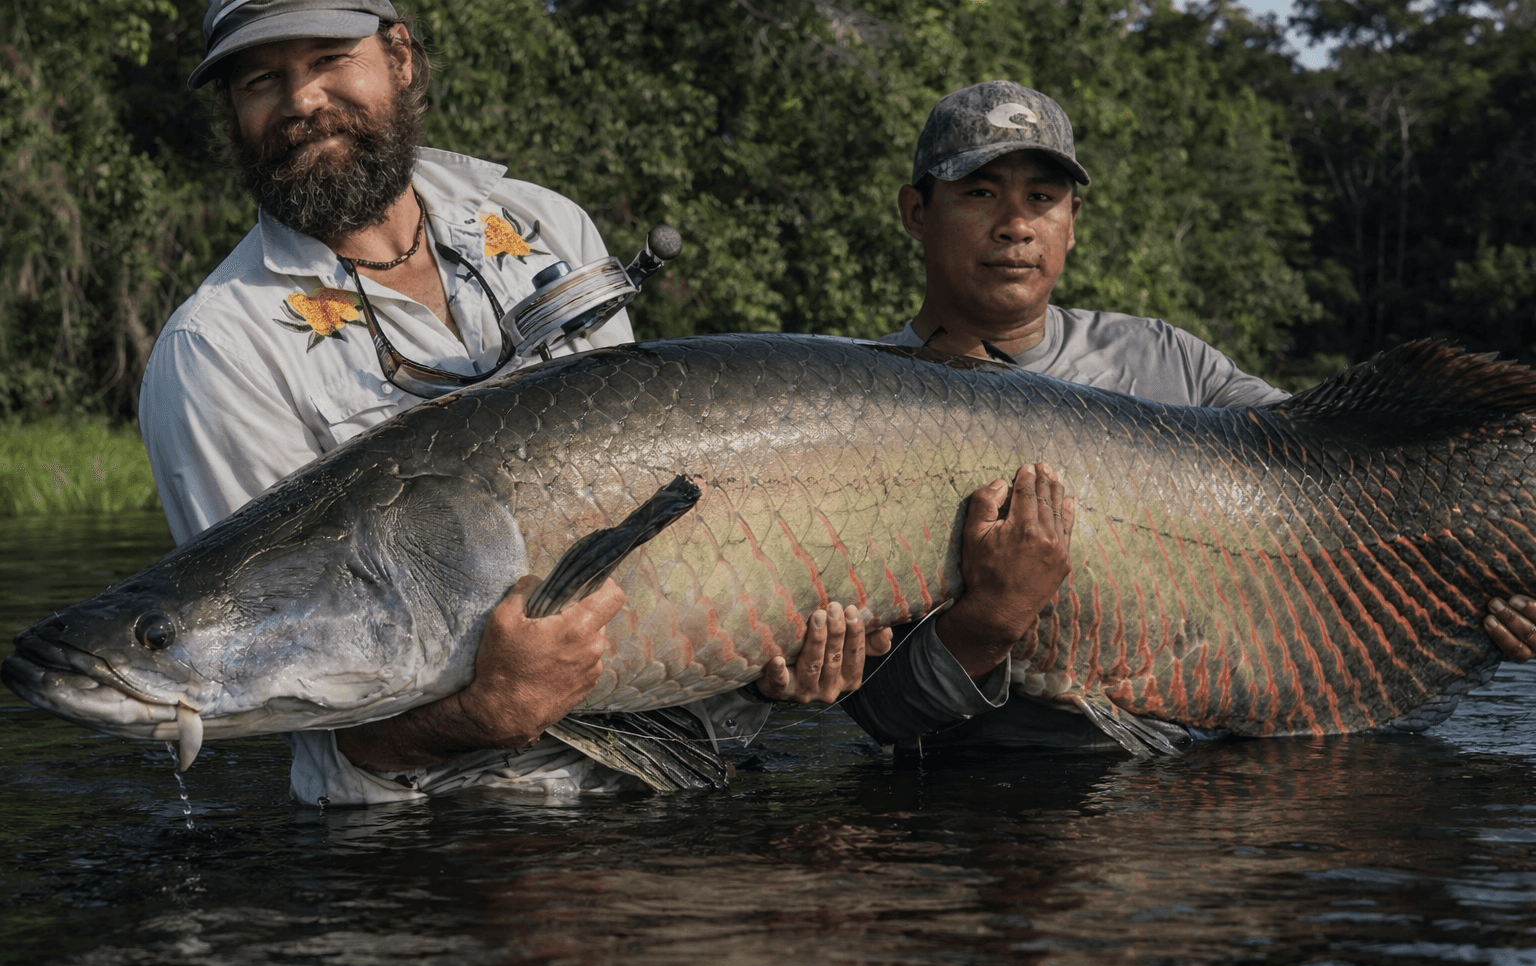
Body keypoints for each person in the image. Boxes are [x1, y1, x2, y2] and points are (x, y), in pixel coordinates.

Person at [141, 0, 879, 805]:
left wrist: (759, 650)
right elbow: (283, 692)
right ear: (232, 111)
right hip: (439, 831)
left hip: (676, 784)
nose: (302, 99)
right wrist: (488, 712)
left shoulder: (544, 223)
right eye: (260, 80)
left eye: (328, 59)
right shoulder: (216, 348)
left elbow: (655, 535)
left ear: (401, 58)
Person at [836, 80, 1536, 753]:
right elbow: (888, 718)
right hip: (982, 791)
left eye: (1042, 198)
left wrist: (1487, 584)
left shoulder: (1167, 358)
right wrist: (994, 618)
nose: (1015, 225)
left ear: (1072, 224)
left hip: (1213, 772)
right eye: (980, 193)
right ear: (916, 213)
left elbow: (1333, 471)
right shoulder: (843, 418)